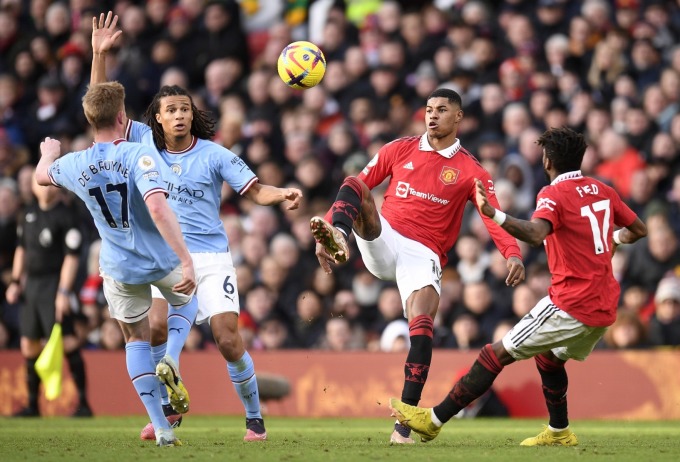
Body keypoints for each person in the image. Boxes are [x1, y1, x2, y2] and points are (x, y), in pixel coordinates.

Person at [91, 12, 303, 442]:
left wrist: (282, 194)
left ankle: (254, 418)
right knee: (152, 325)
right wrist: (99, 55)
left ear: (192, 114)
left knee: (227, 338)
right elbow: (102, 108)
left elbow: (254, 189)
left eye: (185, 108)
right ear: (159, 119)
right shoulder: (141, 143)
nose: (180, 115)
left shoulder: (213, 153)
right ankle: (165, 409)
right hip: (164, 257)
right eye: (171, 110)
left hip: (210, 257)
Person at [389, 127, 648, 446]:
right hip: (605, 308)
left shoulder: (553, 194)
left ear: (546, 160)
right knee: (549, 358)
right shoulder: (602, 190)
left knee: (495, 353)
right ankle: (559, 431)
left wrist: (494, 214)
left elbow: (537, 233)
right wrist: (613, 239)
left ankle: (434, 419)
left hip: (570, 304)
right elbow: (638, 229)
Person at [311, 88, 526, 443]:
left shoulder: (472, 170)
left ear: (458, 117)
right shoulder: (400, 148)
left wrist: (512, 252)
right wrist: (332, 225)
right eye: (428, 109)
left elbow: (492, 216)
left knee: (423, 323)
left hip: (424, 254)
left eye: (442, 110)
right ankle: (338, 234)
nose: (432, 115)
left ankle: (404, 425)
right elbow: (359, 187)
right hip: (386, 236)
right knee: (355, 183)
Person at [34, 81, 198, 447]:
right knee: (189, 298)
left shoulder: (75, 161)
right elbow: (157, 206)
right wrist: (186, 259)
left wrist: (49, 152)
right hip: (159, 258)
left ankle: (163, 429)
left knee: (134, 340)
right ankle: (171, 356)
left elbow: (40, 177)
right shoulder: (140, 154)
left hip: (118, 267)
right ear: (123, 116)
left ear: (89, 119)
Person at [6, 175, 92, 418]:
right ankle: (32, 405)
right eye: (38, 182)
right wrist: (15, 281)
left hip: (54, 285)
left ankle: (84, 404)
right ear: (32, 186)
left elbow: (71, 258)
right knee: (28, 344)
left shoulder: (66, 217)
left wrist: (64, 292)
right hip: (31, 286)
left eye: (48, 183)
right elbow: (21, 249)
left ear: (57, 187)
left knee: (67, 342)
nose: (43, 188)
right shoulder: (28, 214)